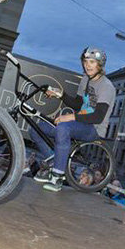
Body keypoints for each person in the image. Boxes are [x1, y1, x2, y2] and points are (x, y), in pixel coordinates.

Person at [31, 47, 115, 193]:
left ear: (100, 65)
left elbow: (98, 116)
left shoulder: (106, 86)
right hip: (80, 123)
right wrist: (60, 94)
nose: (87, 65)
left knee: (64, 127)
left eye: (92, 62)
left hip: (94, 128)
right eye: (85, 61)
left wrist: (71, 116)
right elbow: (77, 103)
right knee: (37, 129)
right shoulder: (85, 80)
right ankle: (53, 161)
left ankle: (57, 176)